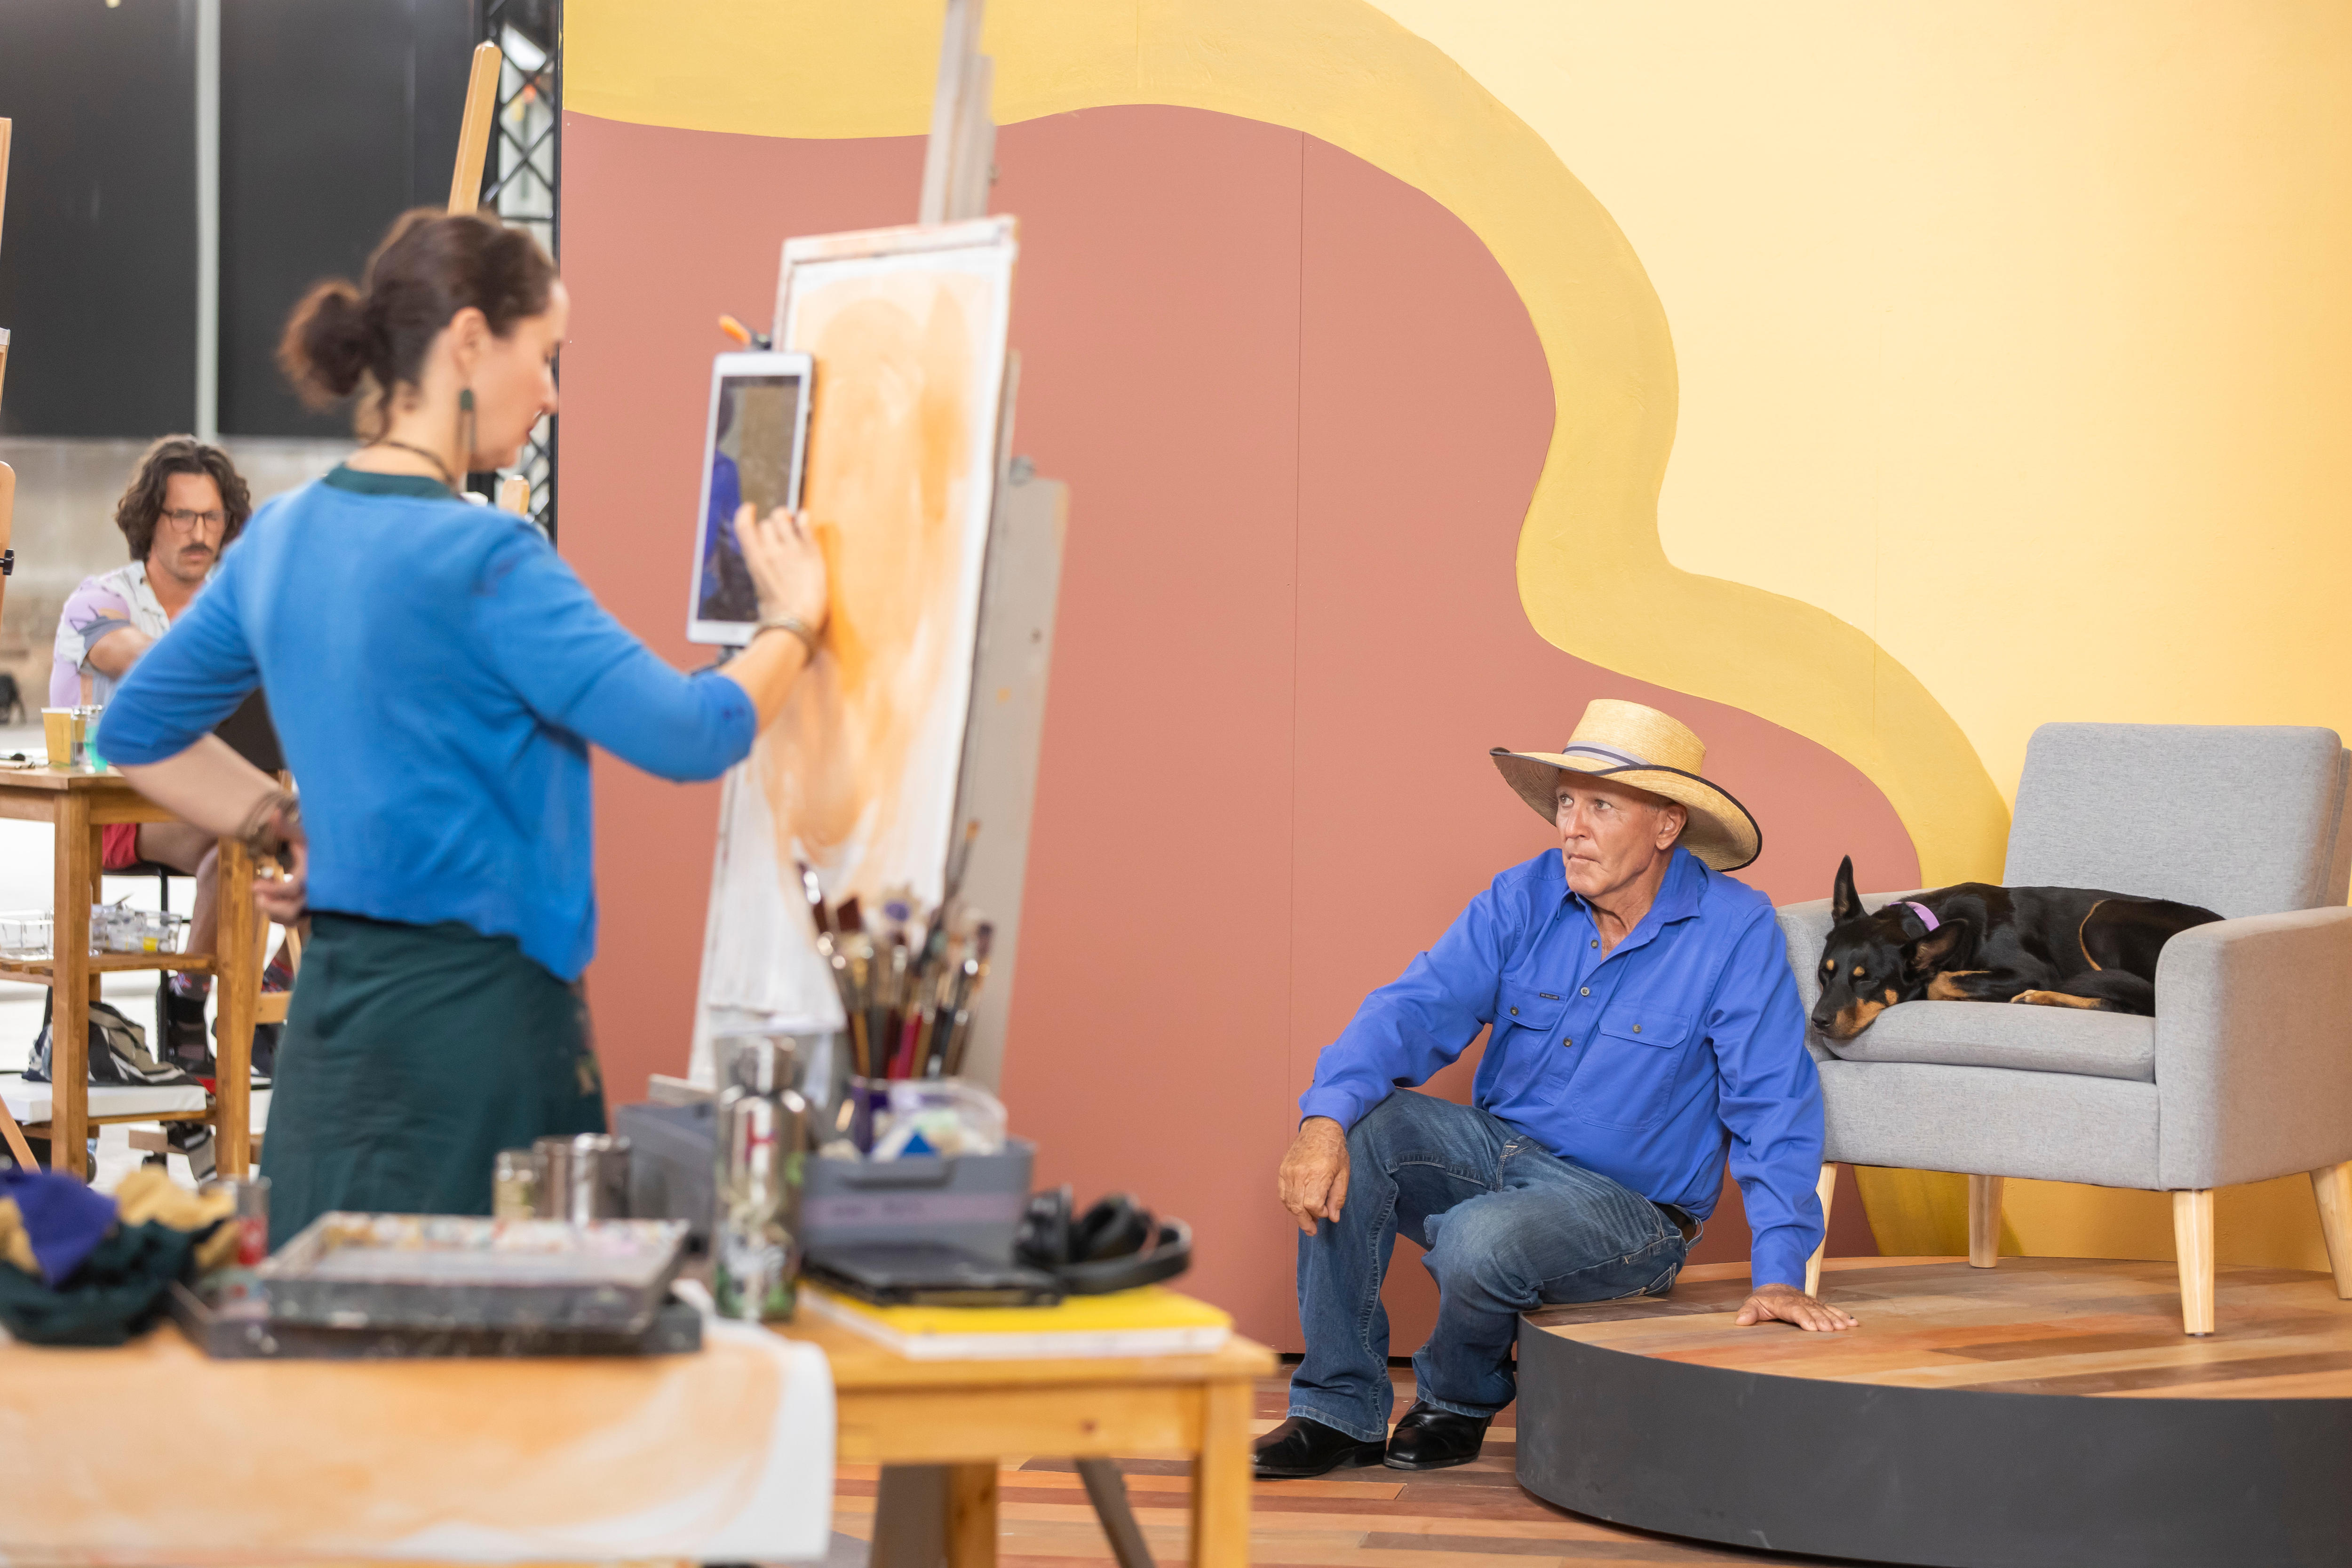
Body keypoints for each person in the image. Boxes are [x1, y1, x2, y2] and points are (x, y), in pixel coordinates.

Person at [97, 208, 831, 1247]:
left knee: (337, 1370)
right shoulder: (490, 559)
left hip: (334, 1038)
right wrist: (793, 619)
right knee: (483, 1384)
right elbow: (693, 729)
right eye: (548, 355)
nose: (553, 392)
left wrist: (274, 816)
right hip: (477, 1042)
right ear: (473, 341)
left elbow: (138, 728)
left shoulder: (282, 539)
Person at [1255, 699, 1856, 1482]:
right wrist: (1323, 1117)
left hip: (1631, 1211)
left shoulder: (1736, 930)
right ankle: (1336, 1411)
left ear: (1667, 826)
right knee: (1361, 1128)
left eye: (1600, 805)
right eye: (1566, 801)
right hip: (1502, 1157)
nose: (1571, 825)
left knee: (1481, 1236)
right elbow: (1414, 1006)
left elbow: (1772, 1104)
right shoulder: (1525, 894)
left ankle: (1460, 1398)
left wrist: (1779, 1269)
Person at [50, 436, 254, 1069]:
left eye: (212, 517)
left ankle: (209, 997)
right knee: (247, 826)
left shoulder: (235, 607)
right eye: (182, 516)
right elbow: (138, 658)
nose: (200, 532)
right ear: (150, 520)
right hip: (114, 808)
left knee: (282, 831)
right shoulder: (99, 600)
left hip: (213, 801)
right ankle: (199, 1012)